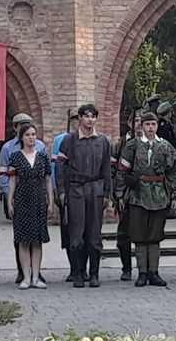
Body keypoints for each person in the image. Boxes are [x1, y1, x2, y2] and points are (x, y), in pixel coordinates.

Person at [117, 112, 176, 287]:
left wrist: (175, 194)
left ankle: (154, 272)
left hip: (159, 194)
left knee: (155, 234)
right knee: (139, 235)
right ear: (142, 126)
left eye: (153, 124)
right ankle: (142, 272)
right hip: (137, 195)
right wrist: (120, 194)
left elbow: (175, 171)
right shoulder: (132, 146)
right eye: (147, 124)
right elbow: (122, 171)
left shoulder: (166, 147)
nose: (151, 127)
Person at [55, 104, 112, 288]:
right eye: (86, 116)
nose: (90, 120)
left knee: (94, 233)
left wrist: (107, 193)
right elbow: (60, 167)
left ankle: (94, 273)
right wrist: (62, 191)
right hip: (75, 189)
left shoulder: (102, 141)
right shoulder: (69, 140)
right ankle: (78, 272)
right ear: (79, 118)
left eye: (93, 116)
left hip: (95, 188)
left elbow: (106, 169)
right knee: (76, 233)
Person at [0, 112, 44, 284]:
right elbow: (4, 175)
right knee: (21, 237)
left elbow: (45, 174)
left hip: (37, 196)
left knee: (37, 236)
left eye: (28, 125)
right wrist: (9, 197)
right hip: (19, 196)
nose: (26, 130)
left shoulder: (39, 147)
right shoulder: (8, 148)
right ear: (15, 128)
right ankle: (22, 271)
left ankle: (36, 272)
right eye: (21, 125)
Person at [6, 123, 52, 290]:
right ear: (22, 138)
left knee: (37, 240)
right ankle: (25, 276)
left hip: (39, 199)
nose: (31, 137)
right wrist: (9, 200)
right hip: (22, 199)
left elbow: (47, 180)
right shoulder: (16, 157)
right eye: (28, 135)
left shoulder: (42, 157)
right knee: (23, 240)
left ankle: (36, 276)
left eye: (33, 134)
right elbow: (12, 181)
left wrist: (50, 200)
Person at [51, 112, 82, 283]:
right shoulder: (61, 140)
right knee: (68, 231)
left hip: (86, 192)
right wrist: (57, 190)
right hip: (68, 192)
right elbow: (56, 166)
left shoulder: (95, 139)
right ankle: (73, 268)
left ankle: (84, 269)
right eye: (77, 119)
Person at [111, 113, 141, 281]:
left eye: (141, 122)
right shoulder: (120, 144)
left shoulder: (148, 143)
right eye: (136, 121)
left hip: (143, 194)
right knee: (124, 233)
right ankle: (126, 268)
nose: (138, 124)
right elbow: (114, 170)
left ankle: (145, 268)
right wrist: (118, 194)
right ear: (130, 123)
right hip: (125, 194)